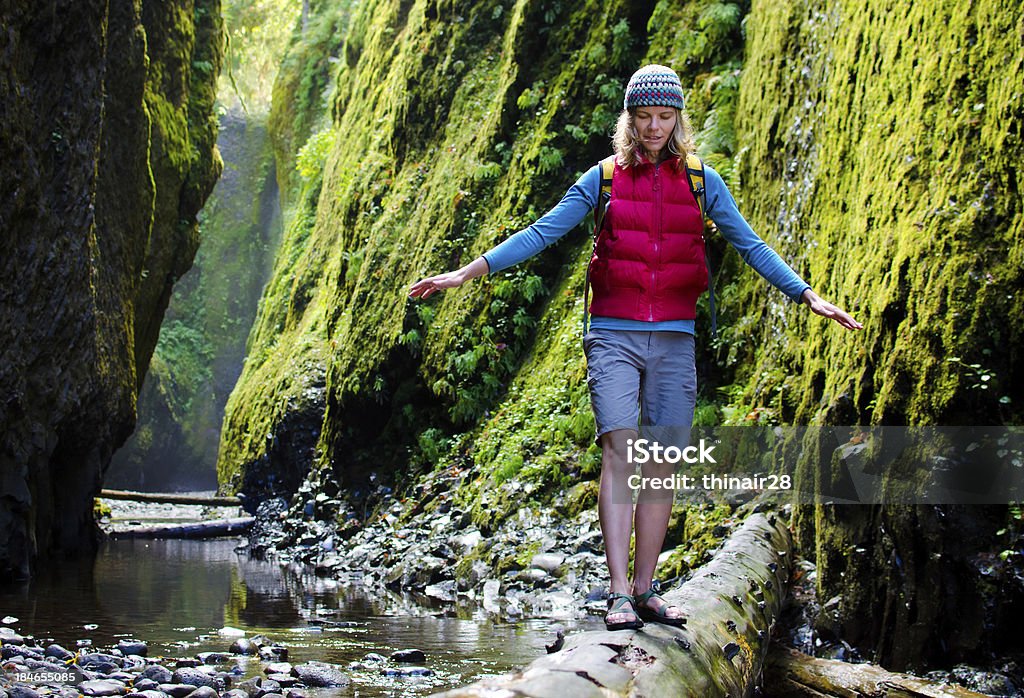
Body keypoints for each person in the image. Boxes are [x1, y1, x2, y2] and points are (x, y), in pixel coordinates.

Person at [409, 64, 861, 630]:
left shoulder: (702, 182)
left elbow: (750, 244)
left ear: (678, 119)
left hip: (675, 338)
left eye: (663, 117)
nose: (653, 127)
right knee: (622, 453)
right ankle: (619, 592)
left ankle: (647, 590)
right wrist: (465, 274)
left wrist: (805, 293)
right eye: (643, 117)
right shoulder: (602, 179)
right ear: (629, 118)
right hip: (613, 336)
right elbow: (541, 232)